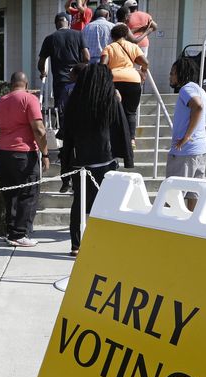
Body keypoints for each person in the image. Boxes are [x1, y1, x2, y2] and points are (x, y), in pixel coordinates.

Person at [59, 64, 133, 256]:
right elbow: (121, 130)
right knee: (106, 204)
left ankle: (76, 245)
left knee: (79, 204)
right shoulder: (110, 101)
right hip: (104, 161)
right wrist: (127, 158)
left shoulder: (75, 101)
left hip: (79, 161)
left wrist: (65, 167)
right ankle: (104, 243)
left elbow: (67, 134)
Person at [0, 72, 49, 248]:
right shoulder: (29, 99)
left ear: (11, 84)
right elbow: (39, 130)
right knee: (28, 193)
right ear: (26, 84)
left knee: (10, 194)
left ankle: (11, 231)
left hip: (3, 153)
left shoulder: (1, 101)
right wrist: (45, 153)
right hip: (23, 154)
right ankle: (19, 234)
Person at [39, 13, 89, 193]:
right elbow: (87, 57)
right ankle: (82, 181)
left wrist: (42, 73)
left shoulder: (50, 38)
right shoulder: (78, 34)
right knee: (81, 134)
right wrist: (80, 71)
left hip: (61, 87)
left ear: (55, 24)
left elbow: (41, 62)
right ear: (68, 23)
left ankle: (65, 180)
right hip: (79, 87)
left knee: (67, 135)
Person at [167, 58, 206, 211]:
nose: (170, 76)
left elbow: (197, 106)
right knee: (193, 193)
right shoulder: (201, 90)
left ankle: (168, 229)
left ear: (181, 74)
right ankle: (190, 225)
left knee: (172, 194)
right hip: (201, 149)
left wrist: (186, 136)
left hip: (185, 151)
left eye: (173, 73)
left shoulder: (186, 89)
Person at [102, 24, 149, 146]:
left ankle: (114, 140)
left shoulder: (108, 48)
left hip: (114, 81)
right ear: (125, 35)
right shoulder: (133, 46)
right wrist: (143, 73)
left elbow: (102, 65)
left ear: (112, 36)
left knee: (113, 110)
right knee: (130, 112)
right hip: (133, 80)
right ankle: (131, 139)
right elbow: (145, 62)